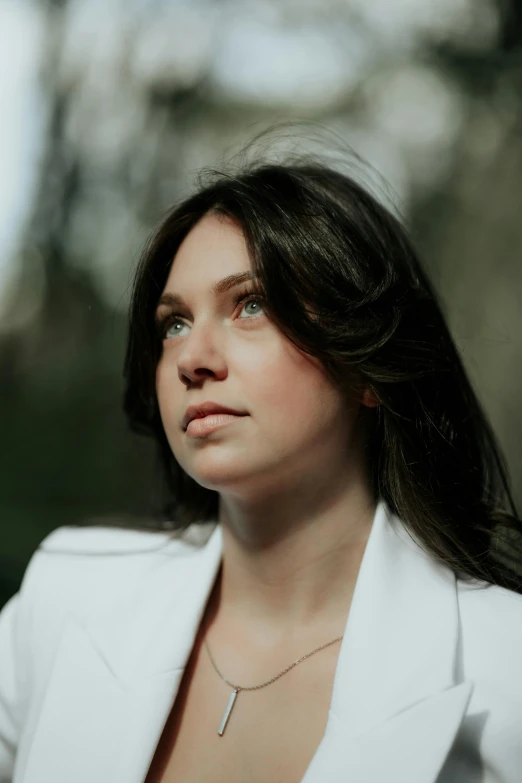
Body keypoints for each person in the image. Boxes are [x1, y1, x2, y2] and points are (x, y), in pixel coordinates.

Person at [1, 147, 522, 783]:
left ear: (368, 365)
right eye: (173, 323)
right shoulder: (63, 598)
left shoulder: (505, 670)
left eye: (250, 304)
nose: (194, 356)